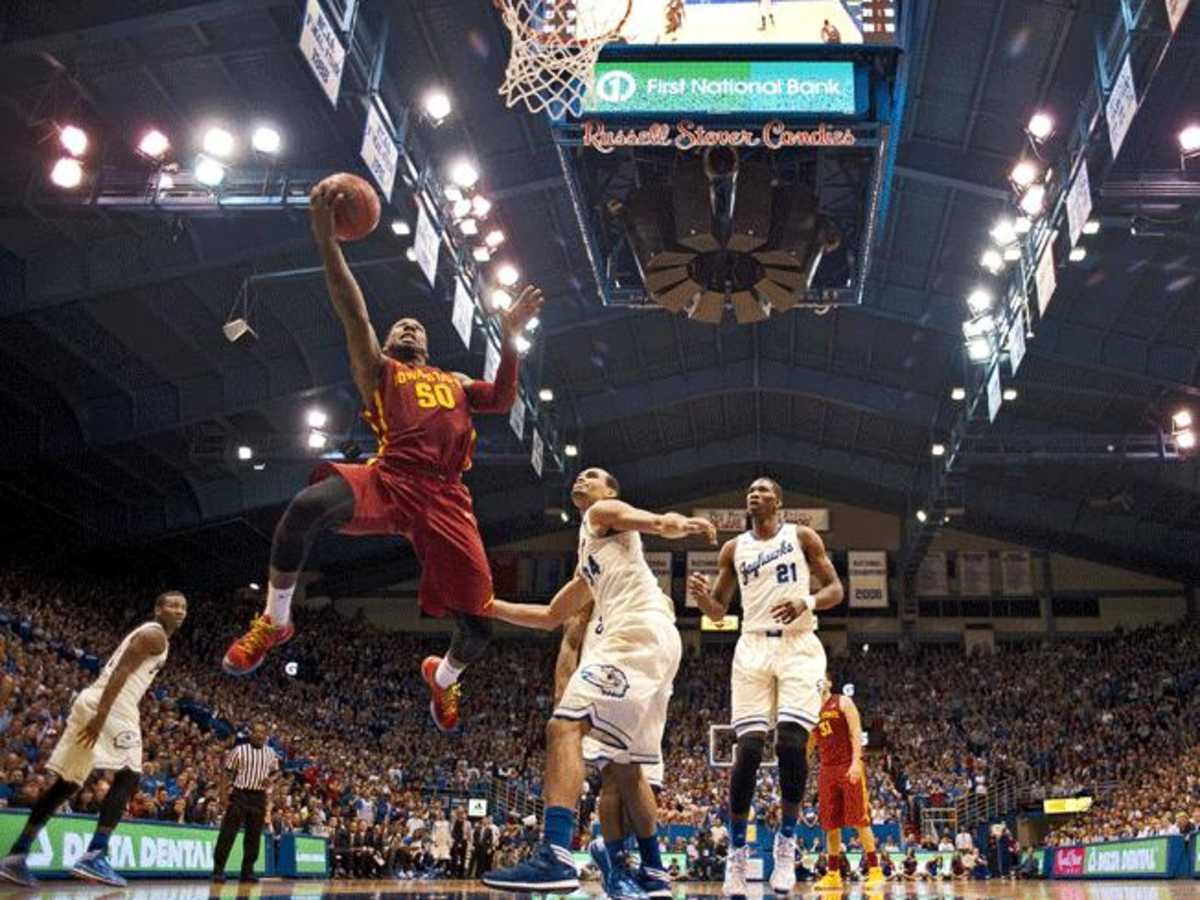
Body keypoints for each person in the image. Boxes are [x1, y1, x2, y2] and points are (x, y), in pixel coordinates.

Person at [222, 177, 543, 734]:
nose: (410, 324)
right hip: (391, 477)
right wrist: (329, 243)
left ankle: (441, 679)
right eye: (401, 324)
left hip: (446, 497)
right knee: (304, 508)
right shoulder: (378, 371)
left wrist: (511, 338)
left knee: (479, 629)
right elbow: (354, 312)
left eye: (417, 324)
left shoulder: (456, 381)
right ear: (390, 342)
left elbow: (504, 397)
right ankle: (275, 620)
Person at [481, 467, 716, 897]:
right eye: (579, 476)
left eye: (592, 475)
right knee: (628, 766)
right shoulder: (590, 559)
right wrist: (492, 607)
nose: (581, 479)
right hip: (655, 644)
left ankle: (555, 853)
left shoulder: (601, 513)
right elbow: (552, 615)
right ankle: (654, 871)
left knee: (563, 726)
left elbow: (653, 522)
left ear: (609, 490)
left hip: (634, 636)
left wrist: (680, 525)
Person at [687, 477, 843, 898]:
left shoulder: (802, 536)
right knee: (749, 749)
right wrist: (703, 599)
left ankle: (786, 844)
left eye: (762, 490)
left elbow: (836, 590)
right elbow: (718, 612)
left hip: (798, 646)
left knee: (792, 744)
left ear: (778, 500)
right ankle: (736, 853)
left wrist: (806, 601)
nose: (753, 494)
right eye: (749, 490)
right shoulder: (733, 548)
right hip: (752, 645)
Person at [0, 592, 188, 888]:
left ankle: (16, 855)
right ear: (158, 609)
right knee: (129, 775)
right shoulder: (155, 635)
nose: (179, 611)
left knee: (68, 784)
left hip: (95, 702)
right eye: (172, 605)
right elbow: (123, 669)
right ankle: (96, 855)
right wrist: (102, 715)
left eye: (183, 607)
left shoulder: (155, 636)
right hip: (111, 706)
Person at [554, 593, 670, 898]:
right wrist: (564, 699)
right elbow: (569, 642)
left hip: (648, 692)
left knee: (646, 792)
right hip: (605, 687)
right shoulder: (589, 598)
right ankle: (620, 867)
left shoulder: (653, 598)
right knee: (617, 779)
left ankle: (609, 850)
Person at [810, 678, 884, 889]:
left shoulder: (842, 702)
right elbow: (810, 742)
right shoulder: (809, 711)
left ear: (829, 682)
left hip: (847, 765)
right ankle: (833, 874)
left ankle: (875, 870)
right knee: (830, 824)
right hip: (826, 769)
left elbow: (856, 732)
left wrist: (856, 762)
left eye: (820, 676)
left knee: (860, 819)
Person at [212, 722, 279, 883]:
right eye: (256, 731)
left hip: (258, 797)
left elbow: (276, 772)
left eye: (262, 732)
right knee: (228, 833)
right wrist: (222, 795)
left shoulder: (271, 753)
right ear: (251, 734)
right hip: (240, 794)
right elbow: (226, 773)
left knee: (253, 836)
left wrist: (270, 779)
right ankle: (218, 869)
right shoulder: (239, 750)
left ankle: (247, 871)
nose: (259, 735)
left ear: (266, 736)